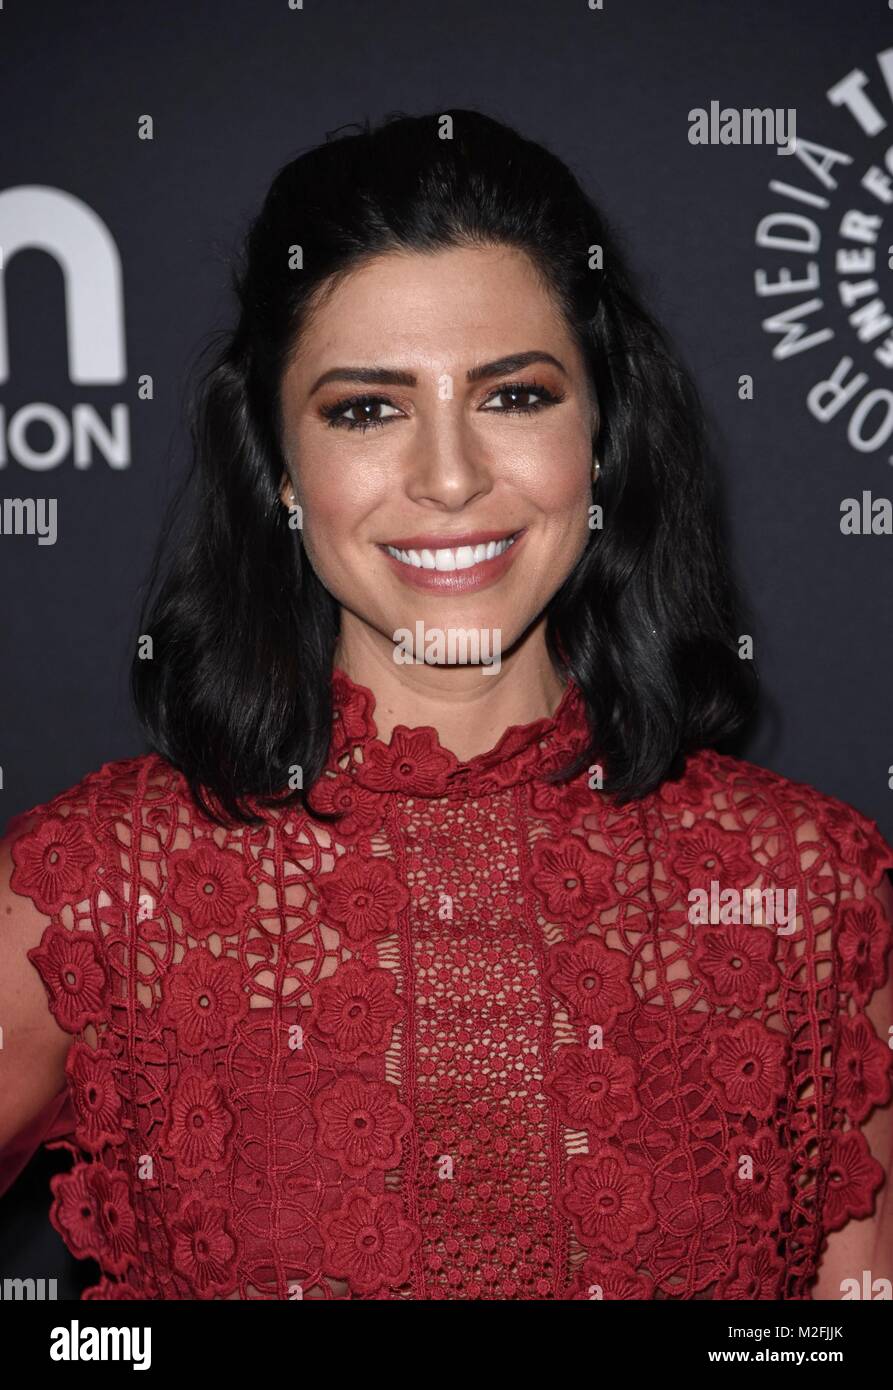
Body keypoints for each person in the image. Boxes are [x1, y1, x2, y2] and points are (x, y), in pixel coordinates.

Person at [1, 108, 890, 1301]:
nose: (450, 476)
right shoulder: (97, 890)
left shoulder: (811, 887)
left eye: (512, 395)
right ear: (276, 464)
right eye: (365, 408)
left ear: (603, 434)